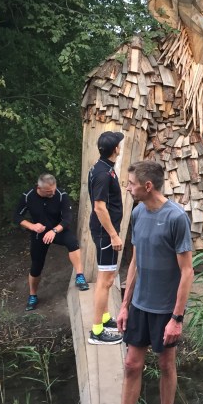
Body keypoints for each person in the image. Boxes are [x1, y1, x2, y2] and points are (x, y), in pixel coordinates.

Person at [92, 160, 194, 404]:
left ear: (147, 186)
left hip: (165, 310)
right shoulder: (138, 213)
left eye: (131, 183)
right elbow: (135, 260)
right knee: (131, 365)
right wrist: (124, 304)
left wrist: (177, 318)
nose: (127, 188)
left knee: (165, 364)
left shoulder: (176, 217)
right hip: (140, 305)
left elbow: (187, 272)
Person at [14, 173, 89, 311]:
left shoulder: (61, 195)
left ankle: (80, 276)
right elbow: (17, 216)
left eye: (54, 189)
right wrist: (32, 226)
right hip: (39, 234)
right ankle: (32, 295)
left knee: (72, 242)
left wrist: (54, 231)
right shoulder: (28, 196)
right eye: (49, 191)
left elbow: (67, 218)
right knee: (36, 266)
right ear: (39, 188)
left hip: (58, 230)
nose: (53, 193)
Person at [88, 131, 125, 345]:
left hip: (103, 231)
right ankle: (97, 332)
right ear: (115, 149)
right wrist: (113, 235)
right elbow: (99, 207)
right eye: (119, 144)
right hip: (105, 233)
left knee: (106, 279)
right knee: (106, 281)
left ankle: (103, 318)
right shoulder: (103, 173)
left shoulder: (102, 167)